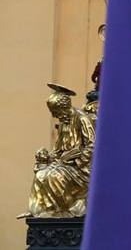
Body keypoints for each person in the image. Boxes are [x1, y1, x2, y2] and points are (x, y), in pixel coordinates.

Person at [28, 84, 95, 217]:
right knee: (41, 174)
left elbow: (92, 146)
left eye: (55, 111)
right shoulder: (64, 122)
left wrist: (75, 159)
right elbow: (58, 149)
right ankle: (45, 210)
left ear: (64, 108)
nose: (54, 115)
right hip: (65, 164)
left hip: (81, 168)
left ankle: (62, 209)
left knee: (54, 177)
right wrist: (47, 157)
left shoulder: (82, 119)